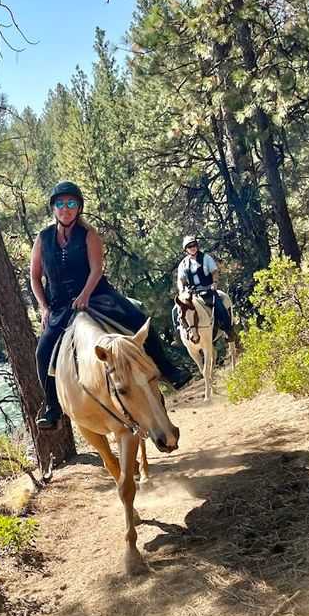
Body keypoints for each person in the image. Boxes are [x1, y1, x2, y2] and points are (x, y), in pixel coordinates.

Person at [30, 181, 192, 430]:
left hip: (97, 296)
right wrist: (43, 306)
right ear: (53, 208)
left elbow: (96, 269)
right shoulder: (42, 239)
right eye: (60, 204)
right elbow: (35, 276)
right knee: (42, 353)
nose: (66, 208)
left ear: (79, 207)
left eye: (71, 203)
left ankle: (170, 370)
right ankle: (52, 406)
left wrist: (85, 294)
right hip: (60, 305)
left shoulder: (89, 235)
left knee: (138, 320)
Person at [176, 235, 234, 338]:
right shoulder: (183, 264)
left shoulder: (206, 258)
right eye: (189, 246)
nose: (192, 248)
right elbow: (181, 280)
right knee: (175, 310)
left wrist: (215, 283)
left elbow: (214, 271)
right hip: (192, 294)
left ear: (197, 246)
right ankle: (179, 333)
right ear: (186, 249)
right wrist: (181, 291)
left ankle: (229, 331)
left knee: (220, 306)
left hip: (208, 289)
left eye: (194, 245)